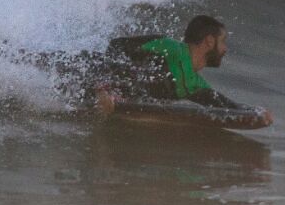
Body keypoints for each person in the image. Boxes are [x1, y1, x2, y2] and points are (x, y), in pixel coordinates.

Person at [47, 15, 271, 127]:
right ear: (209, 41)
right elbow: (115, 46)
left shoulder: (193, 84)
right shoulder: (168, 47)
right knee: (31, 66)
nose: (225, 49)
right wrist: (103, 87)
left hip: (99, 94)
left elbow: (226, 107)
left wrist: (257, 113)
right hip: (82, 70)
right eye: (223, 42)